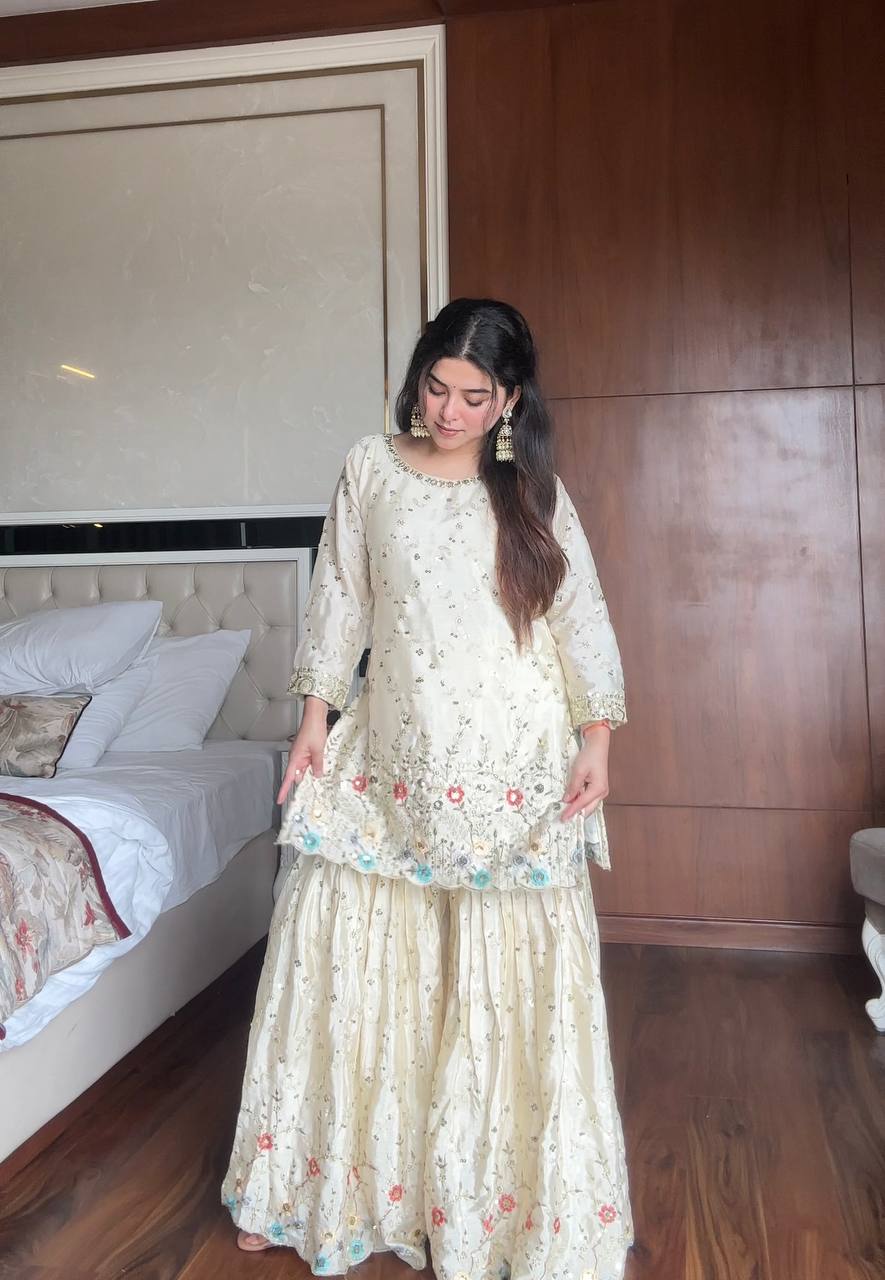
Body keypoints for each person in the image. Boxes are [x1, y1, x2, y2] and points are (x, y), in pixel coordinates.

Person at [221, 298, 634, 1280]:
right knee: (349, 969)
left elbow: (578, 615)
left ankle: (493, 1213)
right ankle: (306, 1190)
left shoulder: (530, 488)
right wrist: (314, 717)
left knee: (497, 990)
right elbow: (342, 595)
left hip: (512, 762)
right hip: (391, 753)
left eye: (474, 396)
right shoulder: (371, 467)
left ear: (510, 400)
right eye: (436, 387)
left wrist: (597, 739)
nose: (449, 411)